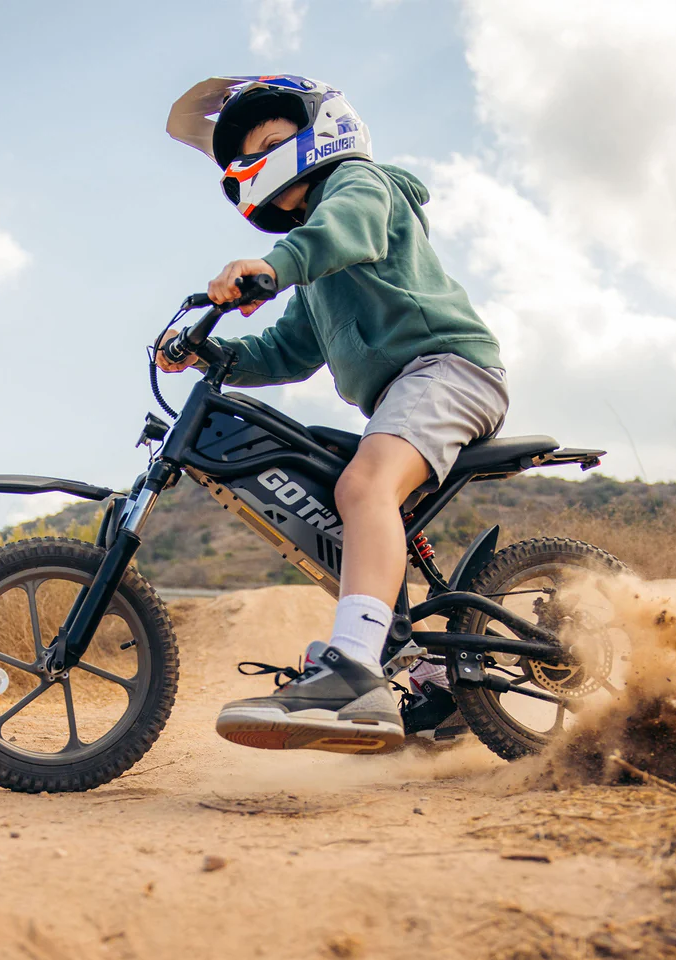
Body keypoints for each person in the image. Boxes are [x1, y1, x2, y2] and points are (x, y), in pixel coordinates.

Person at [161, 76, 508, 753]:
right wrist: (209, 354)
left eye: (269, 142)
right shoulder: (315, 272)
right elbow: (286, 350)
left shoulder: (361, 186)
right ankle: (424, 675)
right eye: (245, 157)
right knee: (334, 498)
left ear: (321, 131)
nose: (255, 162)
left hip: (450, 370)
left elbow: (340, 230)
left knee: (363, 485)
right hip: (403, 396)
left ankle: (351, 669)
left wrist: (272, 265)